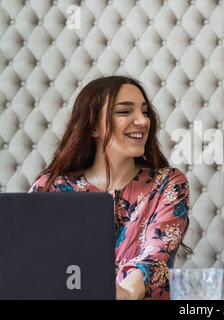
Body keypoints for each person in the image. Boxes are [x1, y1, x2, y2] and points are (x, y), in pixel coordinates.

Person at [30, 76, 190, 300]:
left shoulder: (167, 184)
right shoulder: (51, 187)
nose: (143, 121)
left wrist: (126, 293)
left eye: (145, 112)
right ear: (93, 127)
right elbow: (31, 262)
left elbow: (156, 256)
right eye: (124, 112)